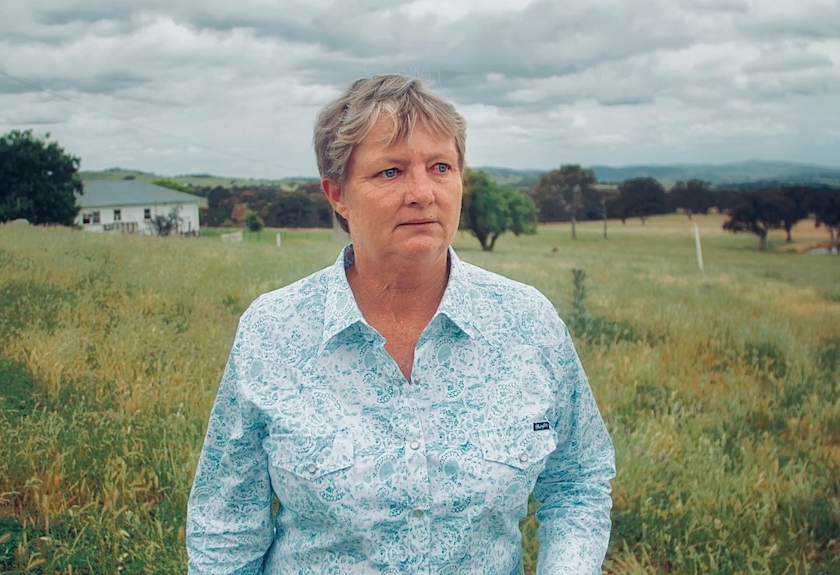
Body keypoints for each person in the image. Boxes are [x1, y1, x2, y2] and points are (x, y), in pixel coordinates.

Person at [186, 74, 615, 574]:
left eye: (440, 167)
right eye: (390, 172)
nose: (422, 192)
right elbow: (226, 524)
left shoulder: (528, 323)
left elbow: (578, 479)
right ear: (338, 195)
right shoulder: (274, 331)